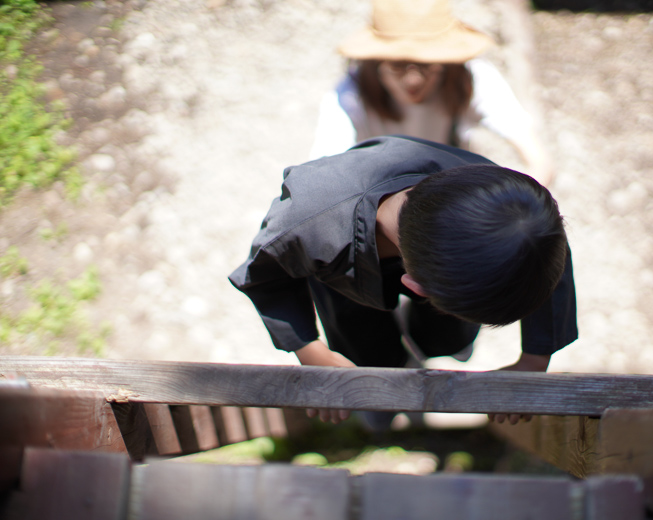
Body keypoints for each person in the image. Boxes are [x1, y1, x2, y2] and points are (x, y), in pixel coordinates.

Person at [229, 136, 577, 425]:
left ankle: (436, 344)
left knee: (444, 338)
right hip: (342, 267)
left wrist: (533, 361)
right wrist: (311, 351)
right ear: (416, 286)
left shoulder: (516, 208)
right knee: (366, 345)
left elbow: (542, 254)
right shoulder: (307, 221)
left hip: (436, 249)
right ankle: (380, 402)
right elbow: (264, 276)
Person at [309, 0, 555, 187]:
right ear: (376, 63)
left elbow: (539, 162)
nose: (413, 79)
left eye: (427, 64)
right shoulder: (351, 94)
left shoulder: (471, 78)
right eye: (397, 65)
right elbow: (318, 177)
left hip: (450, 202)